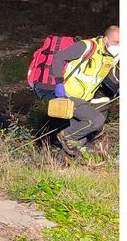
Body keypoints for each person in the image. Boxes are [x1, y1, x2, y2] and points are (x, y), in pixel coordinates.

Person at [50, 25, 120, 156]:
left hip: (85, 98)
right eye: (116, 42)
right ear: (105, 39)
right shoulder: (87, 46)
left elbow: (108, 76)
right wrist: (59, 83)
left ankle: (58, 163)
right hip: (69, 95)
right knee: (96, 120)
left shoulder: (111, 57)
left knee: (79, 140)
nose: (119, 46)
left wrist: (117, 88)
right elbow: (59, 57)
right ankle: (65, 135)